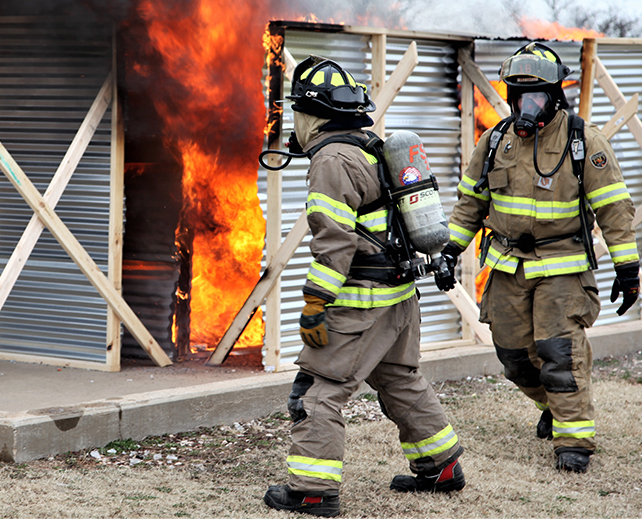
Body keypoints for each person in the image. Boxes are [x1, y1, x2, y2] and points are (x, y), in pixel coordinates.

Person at [263, 56, 464, 517]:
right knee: (399, 379)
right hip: (399, 296)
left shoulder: (332, 160)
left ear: (312, 113)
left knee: (319, 391)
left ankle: (311, 491)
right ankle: (441, 466)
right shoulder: (371, 145)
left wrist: (315, 304)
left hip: (361, 302)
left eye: (298, 111)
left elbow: (334, 244)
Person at [443, 42, 639, 474]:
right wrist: (450, 249)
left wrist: (628, 269)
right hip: (510, 267)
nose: (525, 106)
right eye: (518, 96)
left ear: (555, 96)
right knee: (512, 355)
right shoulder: (496, 140)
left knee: (559, 353)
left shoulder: (583, 141)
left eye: (535, 97)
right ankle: (554, 406)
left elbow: (614, 209)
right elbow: (469, 203)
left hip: (564, 268)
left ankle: (575, 440)